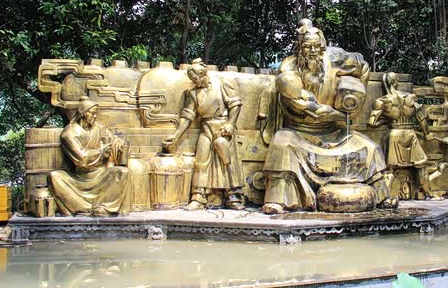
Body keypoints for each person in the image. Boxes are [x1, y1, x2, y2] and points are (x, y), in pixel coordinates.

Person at [262, 19, 395, 214]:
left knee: (370, 147)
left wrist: (355, 99)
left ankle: (383, 196)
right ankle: (278, 201)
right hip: (299, 133)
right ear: (299, 47)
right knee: (281, 143)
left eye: (317, 46)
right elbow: (293, 102)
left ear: (323, 46)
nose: (312, 51)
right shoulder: (288, 69)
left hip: (335, 133)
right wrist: (310, 108)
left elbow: (364, 66)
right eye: (307, 47)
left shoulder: (336, 58)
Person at [163, 58, 245, 210]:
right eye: (192, 80)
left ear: (203, 74)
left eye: (196, 79)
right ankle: (198, 197)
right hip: (206, 129)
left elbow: (235, 104)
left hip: (223, 128)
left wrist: (231, 124)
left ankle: (233, 196)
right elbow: (187, 116)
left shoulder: (222, 84)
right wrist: (176, 136)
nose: (195, 82)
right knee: (201, 162)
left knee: (227, 162)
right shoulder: (193, 93)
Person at [49, 96, 130, 216]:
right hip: (79, 177)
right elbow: (82, 159)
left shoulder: (99, 128)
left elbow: (114, 140)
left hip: (101, 173)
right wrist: (101, 152)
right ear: (83, 113)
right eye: (92, 113)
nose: (95, 116)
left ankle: (104, 207)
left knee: (122, 172)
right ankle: (83, 208)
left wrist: (120, 145)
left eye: (96, 113)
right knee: (54, 176)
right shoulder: (69, 133)